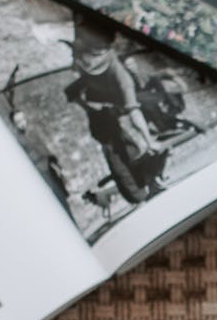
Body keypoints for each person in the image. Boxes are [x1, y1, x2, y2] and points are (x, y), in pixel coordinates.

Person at [64, 17, 168, 203]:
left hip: (119, 113)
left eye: (96, 55)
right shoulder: (82, 51)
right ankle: (141, 189)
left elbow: (134, 112)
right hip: (102, 114)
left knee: (130, 150)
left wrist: (148, 140)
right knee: (117, 153)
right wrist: (87, 105)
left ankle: (147, 185)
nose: (88, 62)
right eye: (88, 55)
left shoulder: (120, 77)